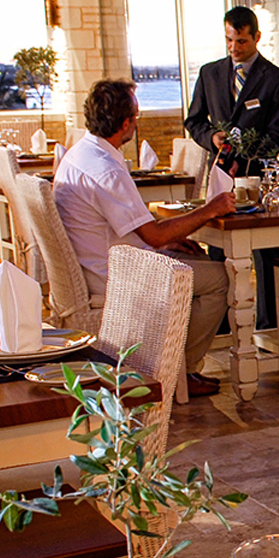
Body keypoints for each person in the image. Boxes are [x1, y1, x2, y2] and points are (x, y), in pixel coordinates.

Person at [55, 78, 236, 397]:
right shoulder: (107, 170)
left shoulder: (79, 154)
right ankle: (180, 370)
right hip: (114, 277)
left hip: (94, 264)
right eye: (136, 116)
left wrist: (168, 241)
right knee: (222, 278)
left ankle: (172, 359)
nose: (137, 122)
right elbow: (152, 235)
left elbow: (139, 232)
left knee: (194, 257)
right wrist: (210, 209)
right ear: (126, 123)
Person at [185, 6, 279, 331]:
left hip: (256, 178)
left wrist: (246, 155)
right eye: (229, 40)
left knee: (266, 251)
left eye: (241, 41)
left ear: (256, 37)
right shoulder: (210, 74)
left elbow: (278, 133)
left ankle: (270, 325)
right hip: (219, 174)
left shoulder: (276, 80)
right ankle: (217, 326)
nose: (234, 47)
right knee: (217, 250)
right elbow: (193, 120)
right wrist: (211, 138)